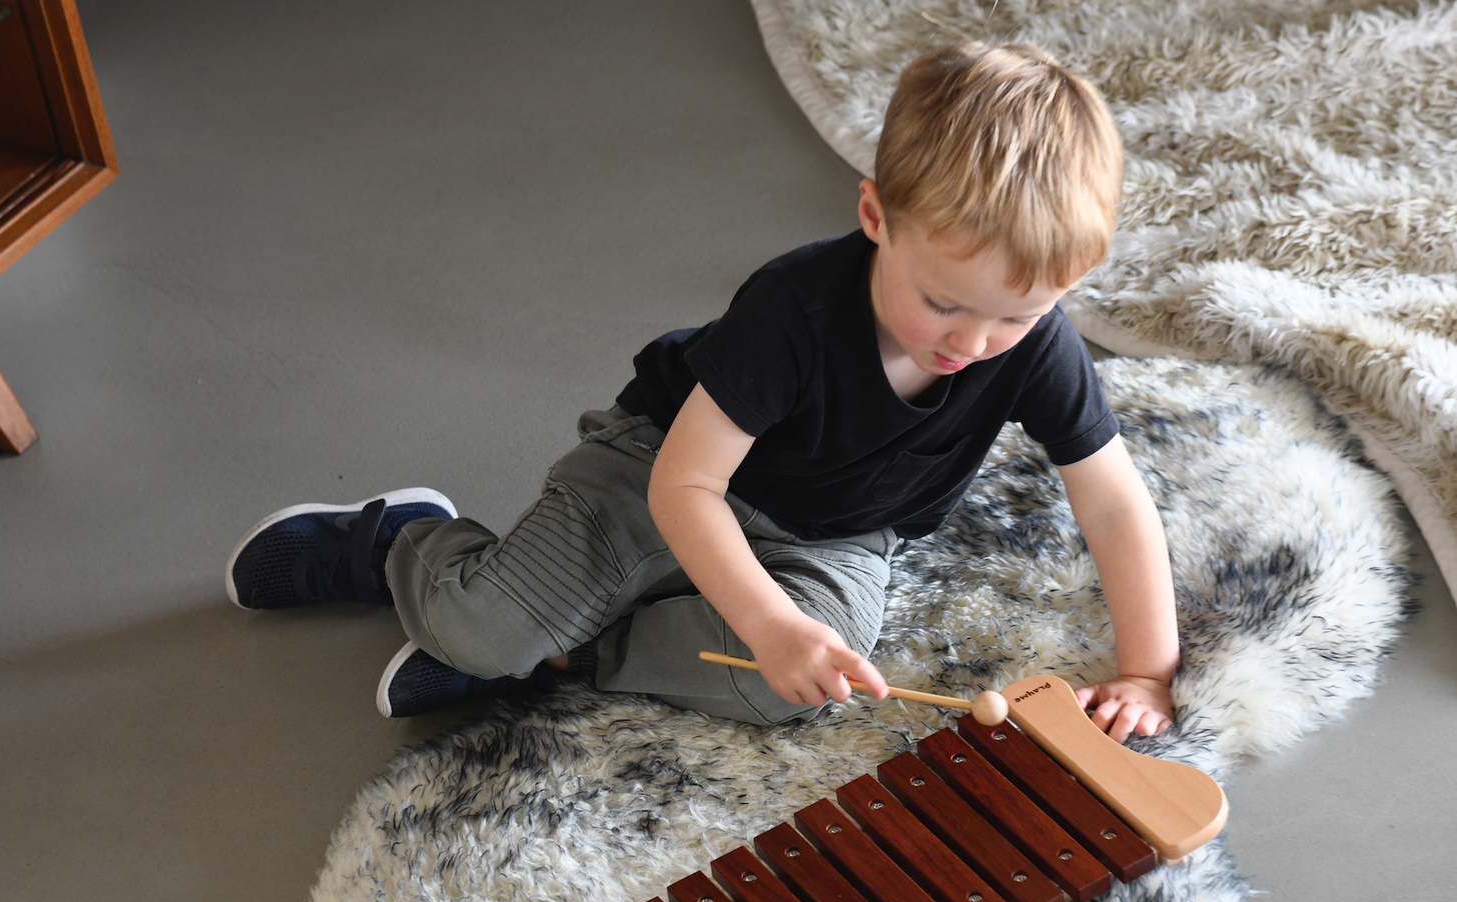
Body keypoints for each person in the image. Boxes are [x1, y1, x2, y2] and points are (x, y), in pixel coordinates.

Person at [225, 42, 1177, 743]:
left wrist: (1146, 671)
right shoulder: (795, 309)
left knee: (799, 687)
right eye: (942, 304)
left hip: (836, 535)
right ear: (876, 217)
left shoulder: (1033, 339)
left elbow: (1114, 502)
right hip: (665, 469)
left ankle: (566, 650)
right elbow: (688, 487)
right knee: (479, 629)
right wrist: (763, 621)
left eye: (1016, 318)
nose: (976, 343)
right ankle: (402, 543)